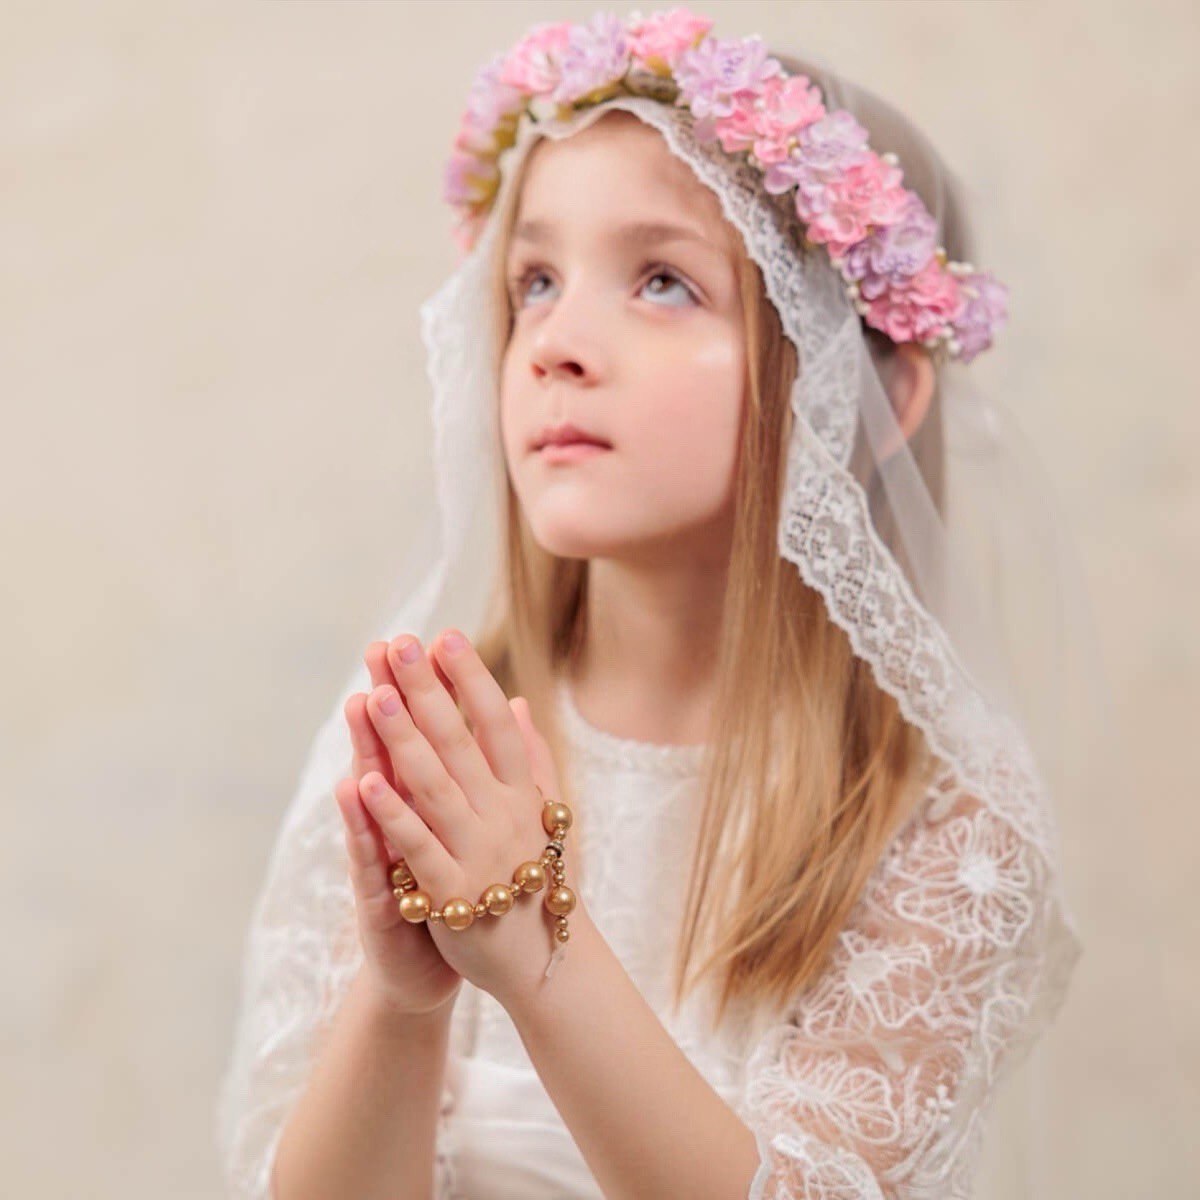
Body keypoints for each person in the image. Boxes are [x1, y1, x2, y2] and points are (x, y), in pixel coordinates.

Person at [214, 10, 1135, 1197]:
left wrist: (533, 950)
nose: (555, 343)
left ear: (866, 394)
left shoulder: (944, 823)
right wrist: (401, 1002)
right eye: (533, 280)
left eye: (663, 282)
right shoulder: (436, 734)